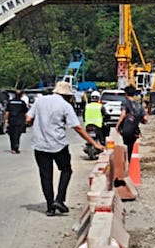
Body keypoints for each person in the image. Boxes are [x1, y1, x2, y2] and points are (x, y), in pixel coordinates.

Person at [26, 81, 105, 216]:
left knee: (46, 176)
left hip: (40, 145)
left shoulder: (40, 101)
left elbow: (28, 119)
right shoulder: (65, 106)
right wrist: (95, 144)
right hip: (58, 144)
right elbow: (78, 127)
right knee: (66, 170)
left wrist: (40, 124)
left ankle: (50, 207)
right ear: (67, 95)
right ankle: (59, 199)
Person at [115, 85, 148, 160]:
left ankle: (128, 162)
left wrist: (117, 126)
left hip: (126, 130)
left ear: (126, 94)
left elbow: (123, 114)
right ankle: (131, 160)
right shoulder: (139, 105)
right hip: (135, 130)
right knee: (132, 146)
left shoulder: (125, 103)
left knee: (126, 145)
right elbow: (145, 119)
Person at [82, 91, 109, 160]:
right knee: (103, 135)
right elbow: (105, 115)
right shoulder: (100, 106)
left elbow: (83, 116)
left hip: (88, 125)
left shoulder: (87, 106)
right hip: (98, 126)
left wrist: (85, 120)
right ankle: (103, 144)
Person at [5, 89, 28, 154]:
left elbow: (7, 112)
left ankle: (13, 148)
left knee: (11, 134)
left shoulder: (10, 102)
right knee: (17, 135)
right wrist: (26, 121)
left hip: (11, 120)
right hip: (19, 121)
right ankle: (16, 147)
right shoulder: (22, 103)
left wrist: (6, 120)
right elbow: (25, 112)